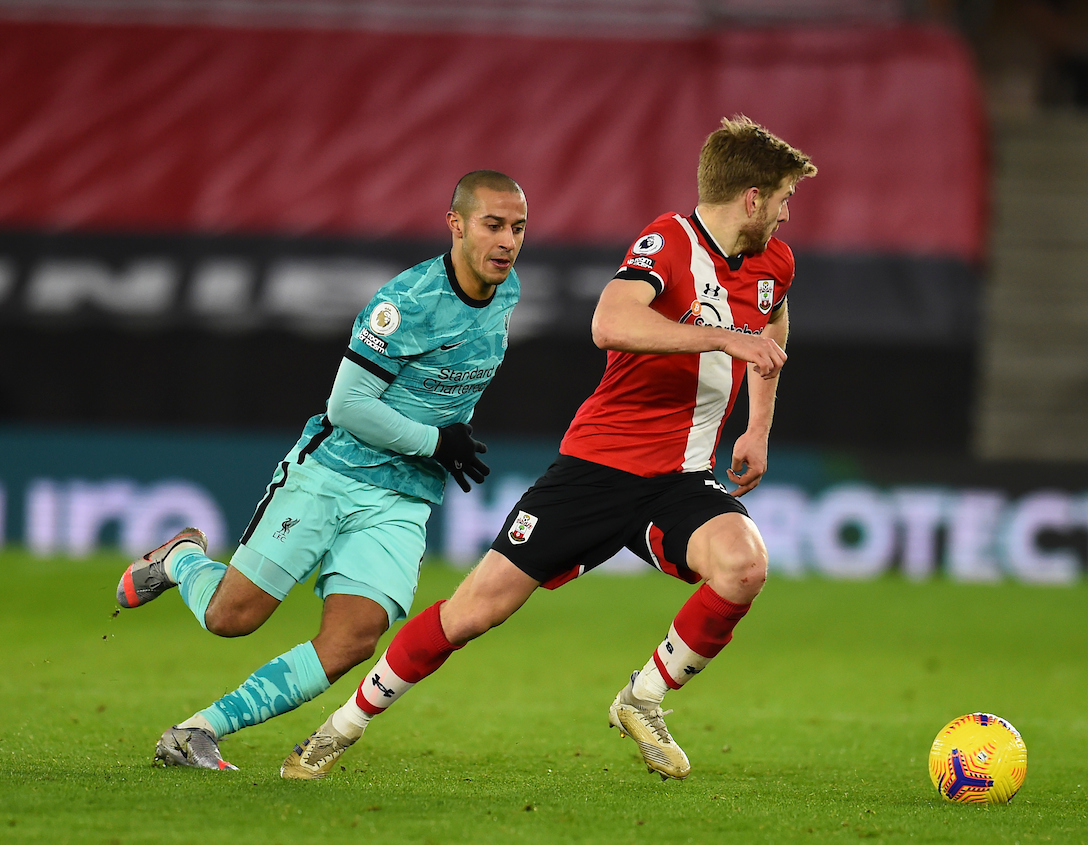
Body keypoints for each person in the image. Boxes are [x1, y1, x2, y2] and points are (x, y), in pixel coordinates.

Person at [281, 115, 816, 782]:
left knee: (744, 566)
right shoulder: (669, 241)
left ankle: (642, 696)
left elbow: (772, 313)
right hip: (595, 470)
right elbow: (609, 322)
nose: (790, 213)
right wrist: (722, 339)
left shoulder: (775, 262)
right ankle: (339, 728)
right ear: (754, 196)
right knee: (476, 611)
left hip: (680, 479)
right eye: (786, 197)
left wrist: (757, 424)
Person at [114, 170, 527, 771]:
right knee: (231, 619)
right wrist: (436, 440)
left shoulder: (508, 291)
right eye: (493, 225)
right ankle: (180, 556)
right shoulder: (404, 304)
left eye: (518, 228)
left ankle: (195, 732)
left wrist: (434, 448)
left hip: (405, 497)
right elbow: (348, 407)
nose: (508, 241)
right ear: (456, 224)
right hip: (331, 475)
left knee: (353, 641)